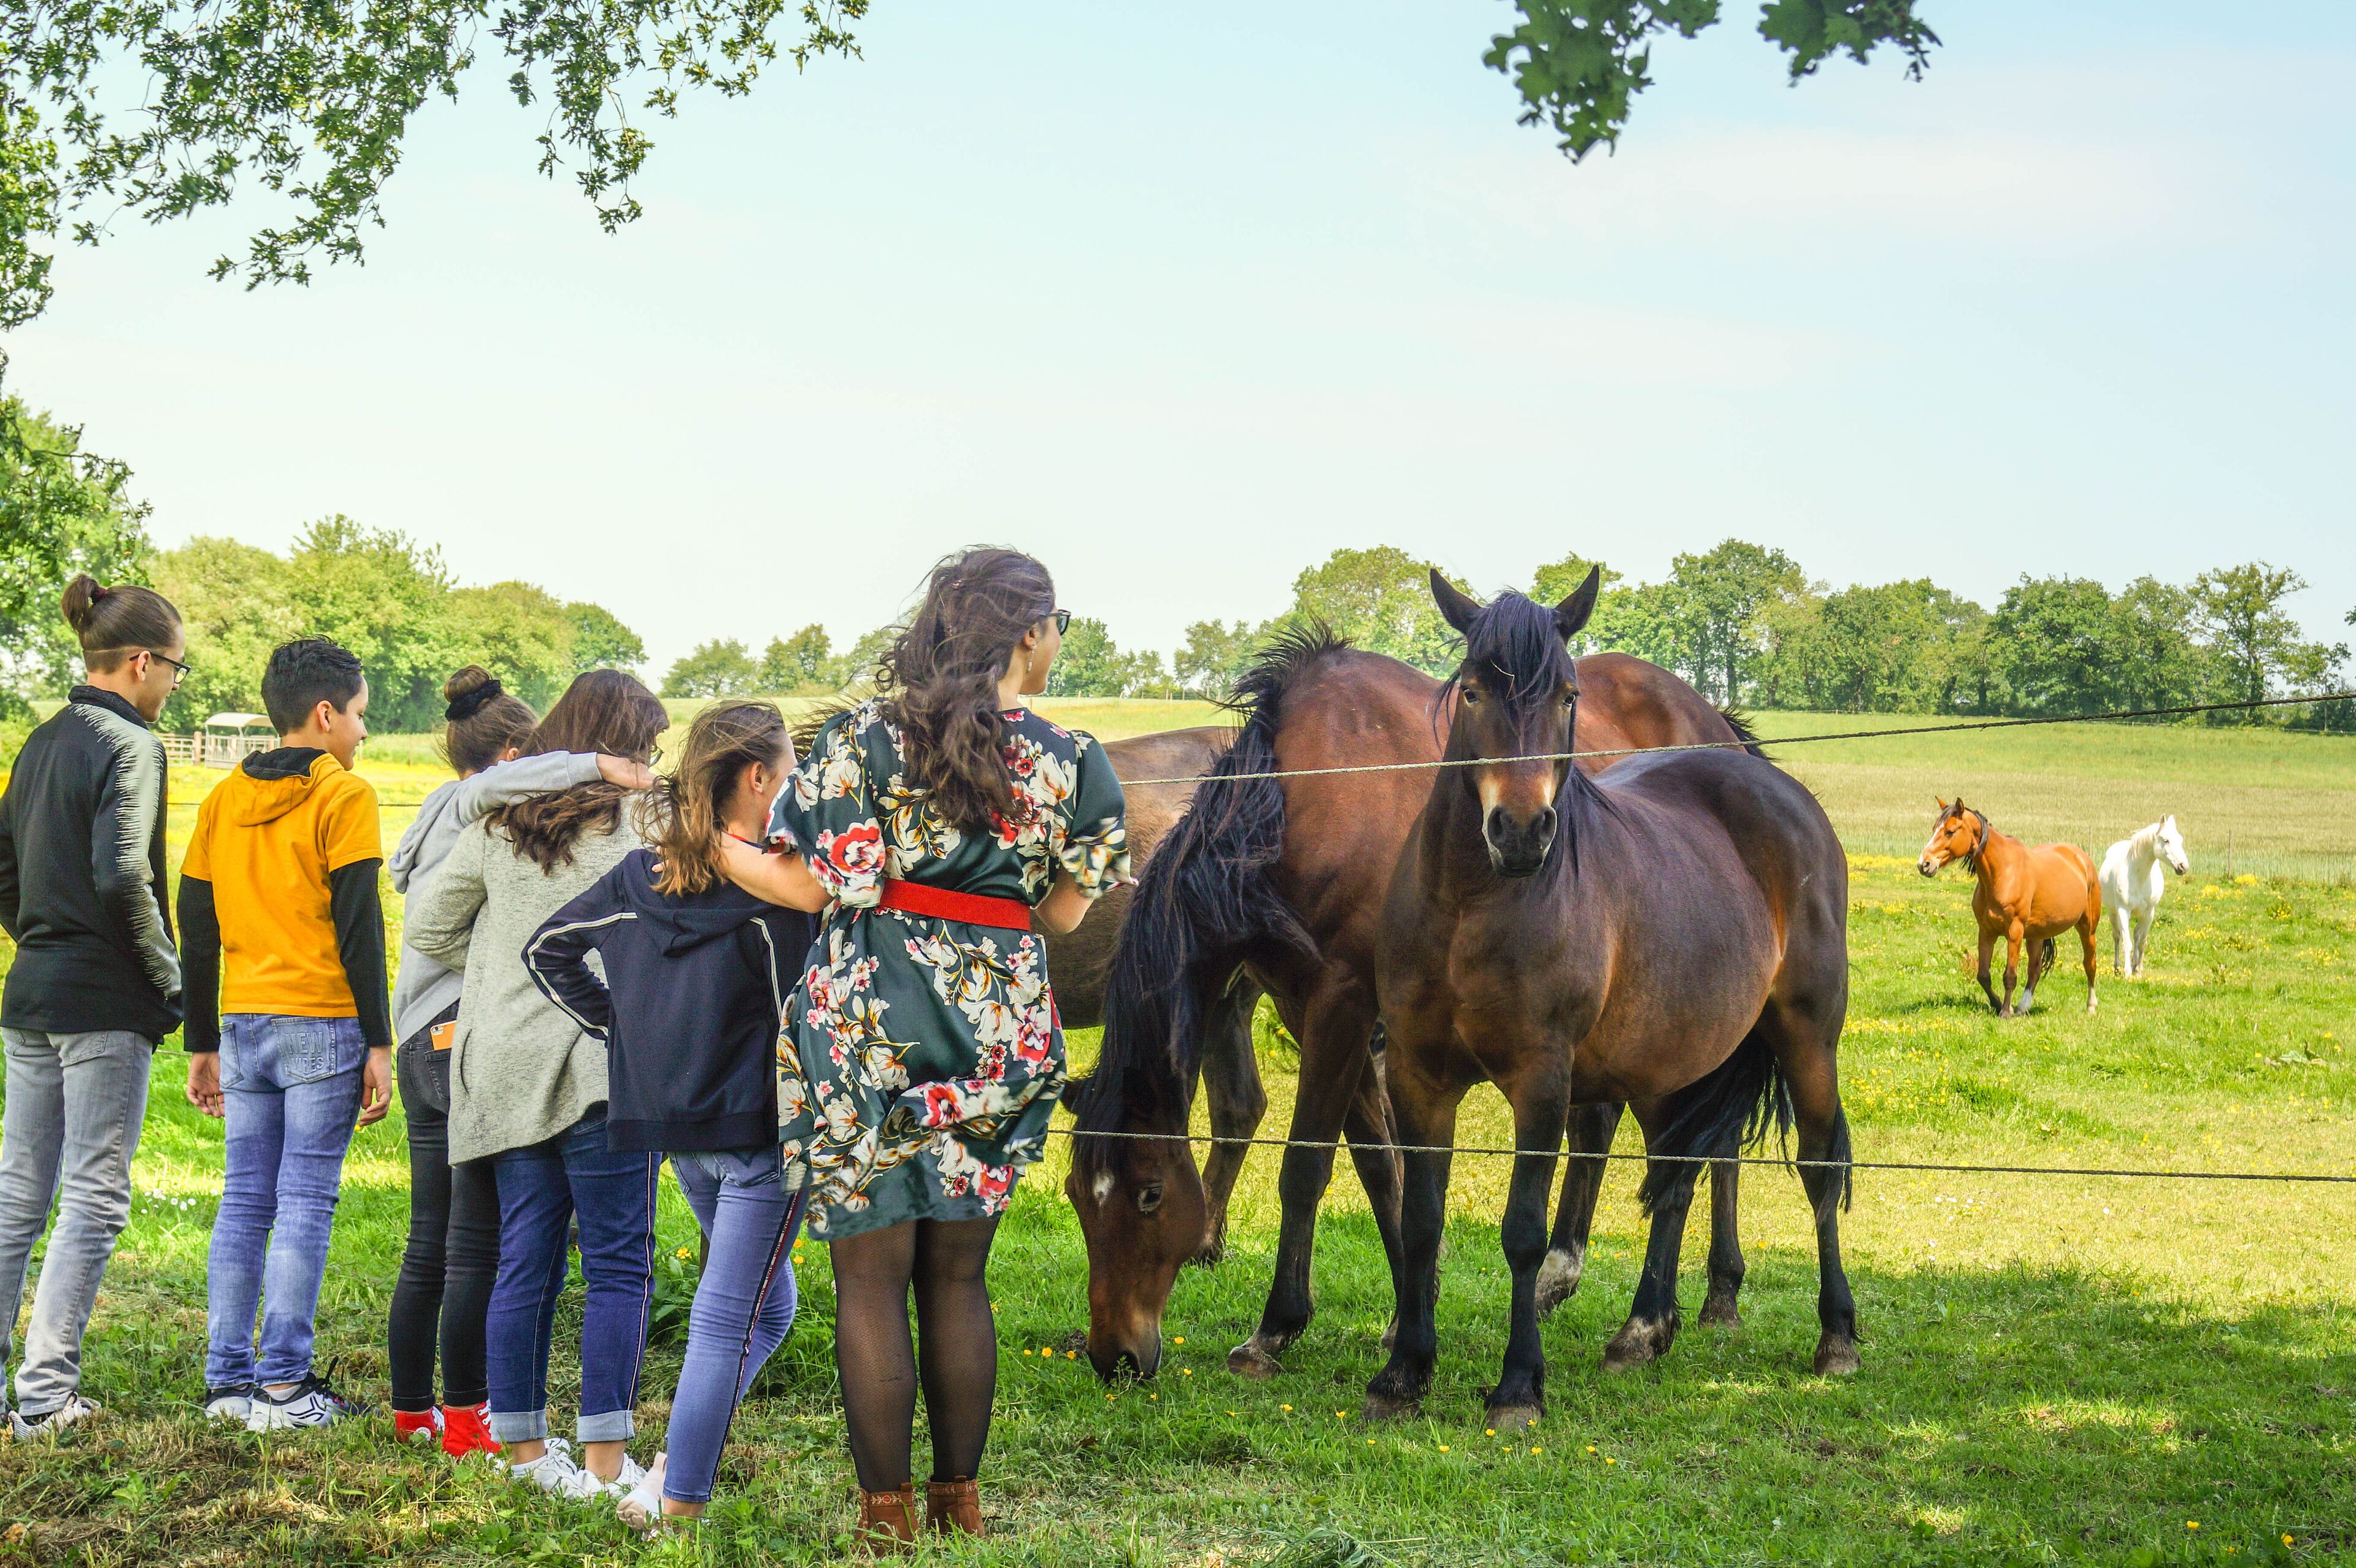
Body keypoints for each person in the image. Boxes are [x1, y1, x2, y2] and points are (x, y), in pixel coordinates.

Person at [720, 547, 1128, 1547]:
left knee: (870, 1280)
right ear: (1030, 632)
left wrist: (715, 845)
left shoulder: (863, 738)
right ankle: (960, 1502)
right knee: (958, 1277)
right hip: (998, 1022)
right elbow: (1067, 917)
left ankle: (884, 1518)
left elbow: (819, 887)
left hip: (871, 1015)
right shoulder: (1074, 758)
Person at [523, 701, 815, 1528]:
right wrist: (624, 1031)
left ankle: (659, 1478)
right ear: (757, 779)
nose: (792, 788)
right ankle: (680, 1504)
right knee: (727, 1324)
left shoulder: (638, 876)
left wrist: (628, 1039)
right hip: (759, 1134)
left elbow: (548, 952)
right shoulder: (782, 897)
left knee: (772, 1308)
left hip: (675, 1132)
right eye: (789, 774)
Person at [403, 669, 667, 1503]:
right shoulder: (647, 824)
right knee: (621, 1265)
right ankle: (605, 1464)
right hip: (602, 1061)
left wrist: (496, 968)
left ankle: (523, 1456)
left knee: (526, 1260)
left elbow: (430, 926)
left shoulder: (496, 825)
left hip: (506, 1066)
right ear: (627, 748)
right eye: (651, 746)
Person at [179, 637, 393, 1430]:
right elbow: (359, 927)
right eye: (362, 716)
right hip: (323, 1023)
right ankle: (283, 1387)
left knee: (243, 1203)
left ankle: (227, 1384)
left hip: (243, 1021)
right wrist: (380, 1043)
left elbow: (194, 929)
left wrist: (202, 1040)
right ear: (326, 713)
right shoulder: (344, 796)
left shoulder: (221, 799)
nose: (364, 734)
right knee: (303, 1201)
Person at [0, 577, 186, 1439]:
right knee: (95, 1196)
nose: (174, 686)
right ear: (142, 662)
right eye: (176, 671)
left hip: (32, 989)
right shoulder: (132, 745)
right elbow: (124, 875)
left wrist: (44, 934)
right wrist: (168, 979)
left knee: (17, 1198)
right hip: (103, 999)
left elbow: (4, 873)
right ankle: (43, 1396)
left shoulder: (39, 742)